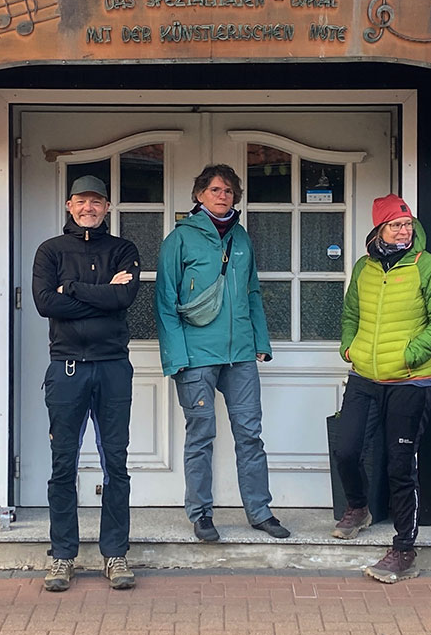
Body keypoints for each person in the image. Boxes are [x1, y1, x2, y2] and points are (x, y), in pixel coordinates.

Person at [155, 164, 287, 541]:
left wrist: (260, 342)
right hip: (196, 356)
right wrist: (175, 355)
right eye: (215, 189)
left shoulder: (242, 238)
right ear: (199, 195)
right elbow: (164, 301)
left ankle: (260, 512)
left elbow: (253, 292)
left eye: (228, 190)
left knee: (250, 435)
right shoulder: (179, 239)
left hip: (241, 353)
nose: (222, 195)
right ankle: (201, 515)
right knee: (201, 435)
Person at [332, 194, 431, 583]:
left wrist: (409, 355)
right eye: (395, 225)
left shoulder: (426, 266)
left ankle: (404, 549)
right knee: (347, 448)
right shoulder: (365, 268)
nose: (404, 231)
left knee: (401, 465)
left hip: (410, 381)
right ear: (378, 230)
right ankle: (358, 506)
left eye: (407, 224)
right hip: (364, 376)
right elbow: (351, 314)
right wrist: (348, 348)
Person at [30, 175, 141, 593]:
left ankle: (116, 553)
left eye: (96, 201)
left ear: (108, 207)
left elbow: (124, 300)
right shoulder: (50, 251)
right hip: (68, 368)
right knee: (63, 464)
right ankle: (62, 556)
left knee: (116, 463)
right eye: (81, 201)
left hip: (113, 367)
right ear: (69, 205)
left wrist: (72, 289)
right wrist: (99, 293)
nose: (88, 208)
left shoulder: (123, 250)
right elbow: (46, 303)